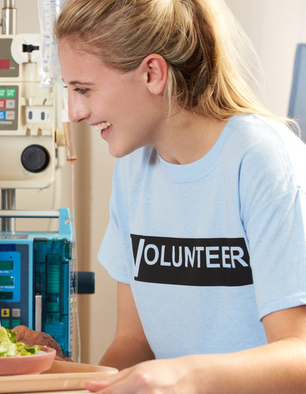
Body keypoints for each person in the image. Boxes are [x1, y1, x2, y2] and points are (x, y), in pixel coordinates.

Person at [55, 0, 306, 393]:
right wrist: (71, 380)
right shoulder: (134, 170)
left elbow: (299, 355)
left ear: (153, 73)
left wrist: (185, 375)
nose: (74, 112)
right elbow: (133, 343)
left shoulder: (262, 160)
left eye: (83, 89)